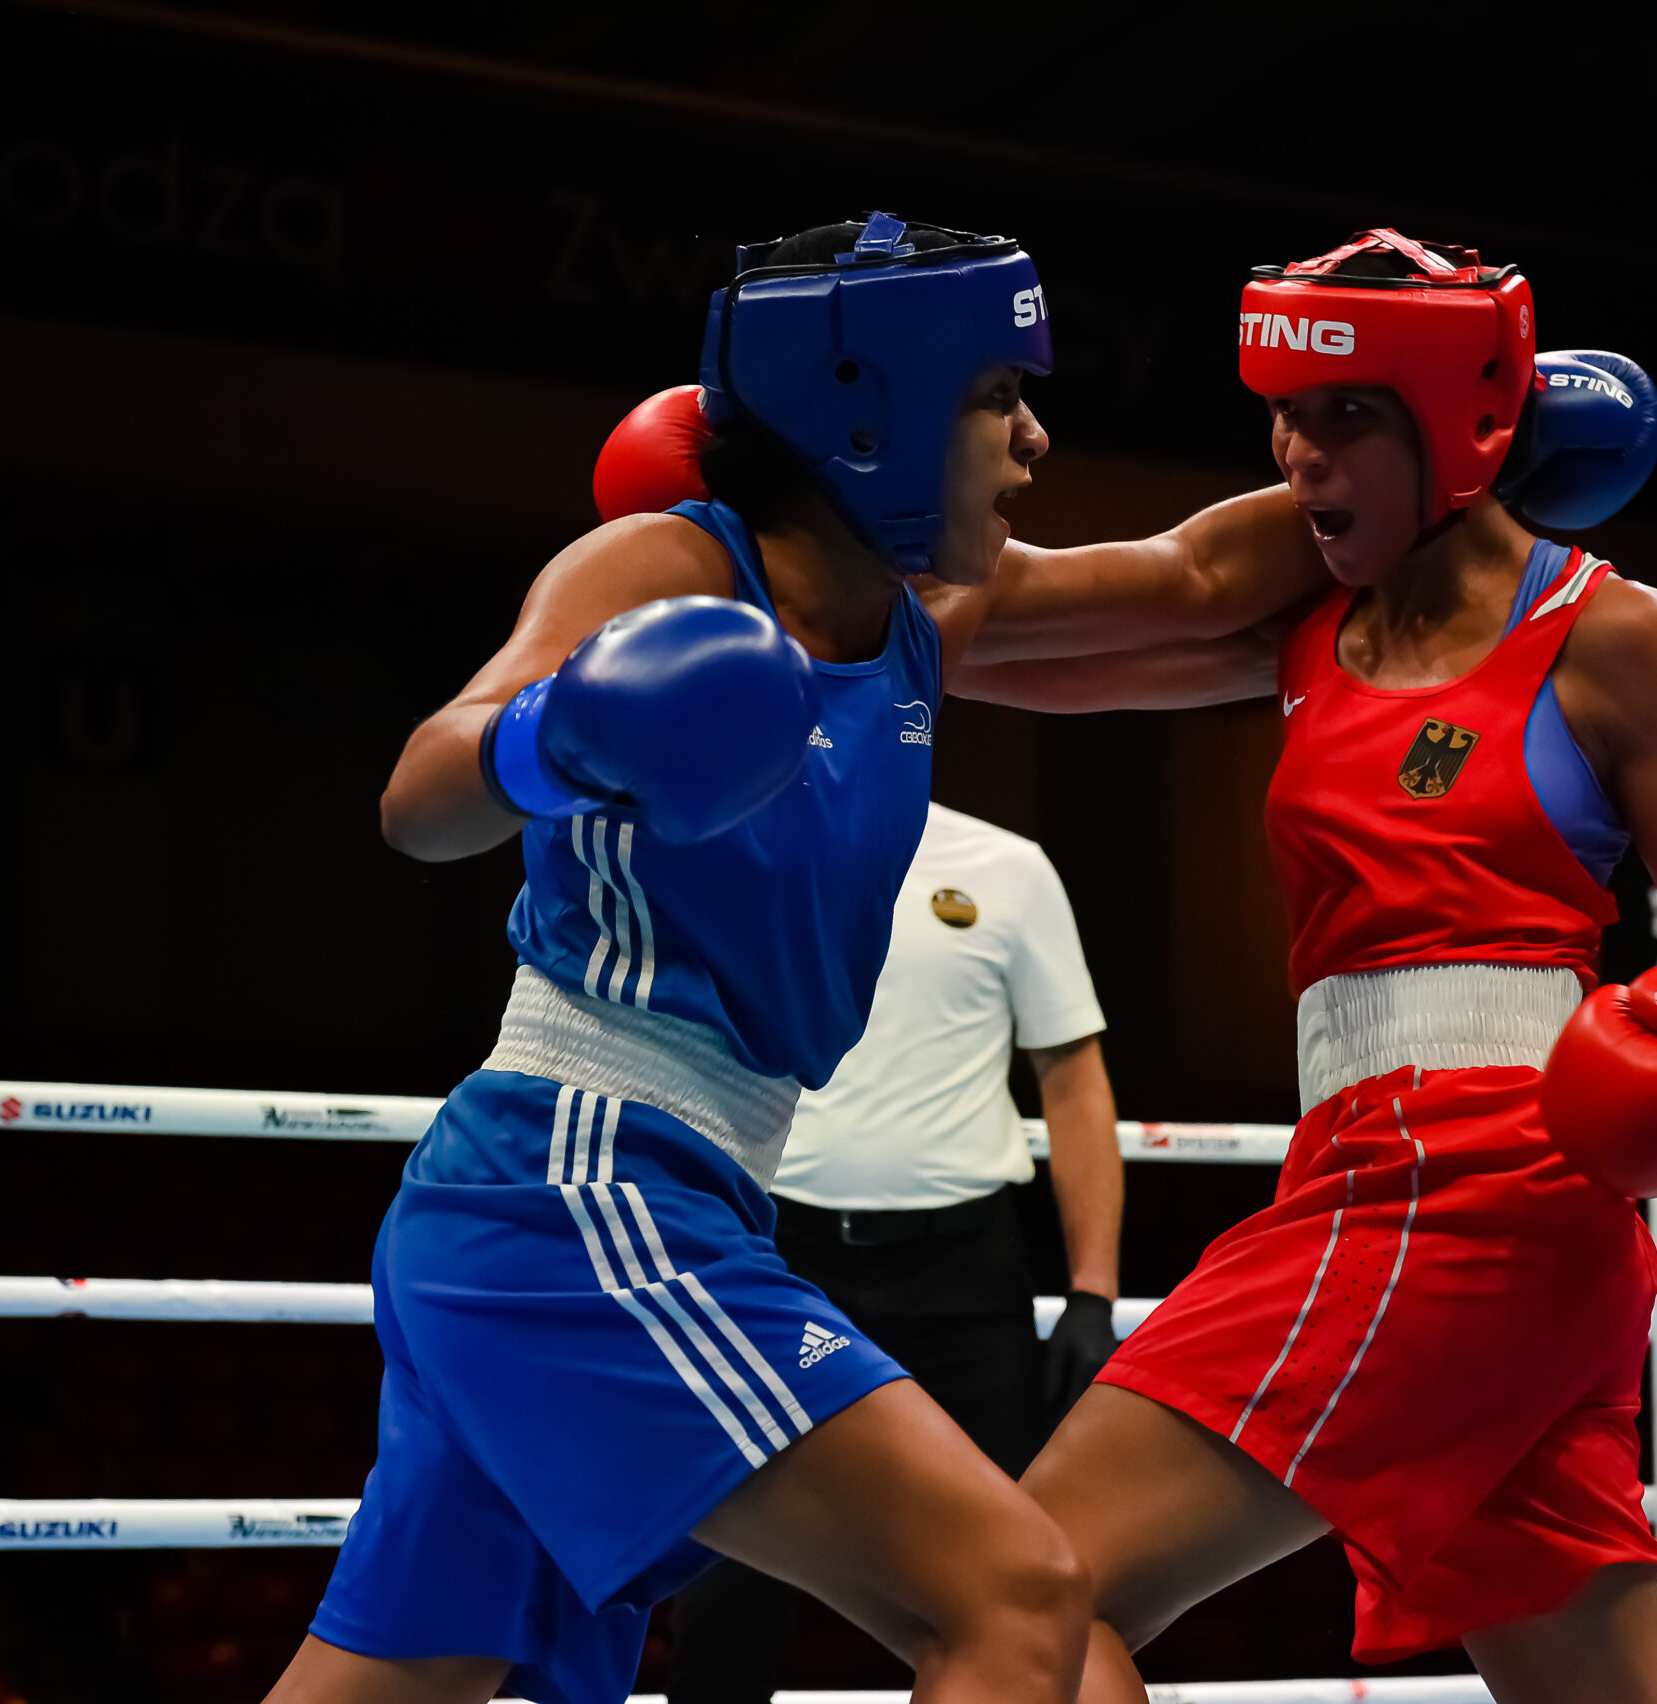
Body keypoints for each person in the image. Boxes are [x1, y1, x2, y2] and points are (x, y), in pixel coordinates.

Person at [947, 229, 1657, 1704]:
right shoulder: (1307, 611)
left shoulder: (1610, 635)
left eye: (1345, 415)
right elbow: (1007, 628)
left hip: (1478, 1184)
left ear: (1461, 426)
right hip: (1377, 1169)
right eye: (1285, 415)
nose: (1301, 452)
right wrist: (787, 538)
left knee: (1020, 1596)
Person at [264, 214, 1093, 1704]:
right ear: (871, 409)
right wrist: (566, 732)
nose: (1034, 438)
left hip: (638, 1197)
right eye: (996, 397)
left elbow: (1202, 586)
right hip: (579, 1190)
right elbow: (420, 797)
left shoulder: (918, 626)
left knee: (401, 1684)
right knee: (1015, 1596)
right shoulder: (668, 568)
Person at [666, 802, 1124, 1704]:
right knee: (726, 1598)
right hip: (779, 1261)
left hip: (966, 1277)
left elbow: (1073, 1081)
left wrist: (1094, 1292)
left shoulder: (1008, 867)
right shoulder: (741, 842)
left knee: (1018, 1574)